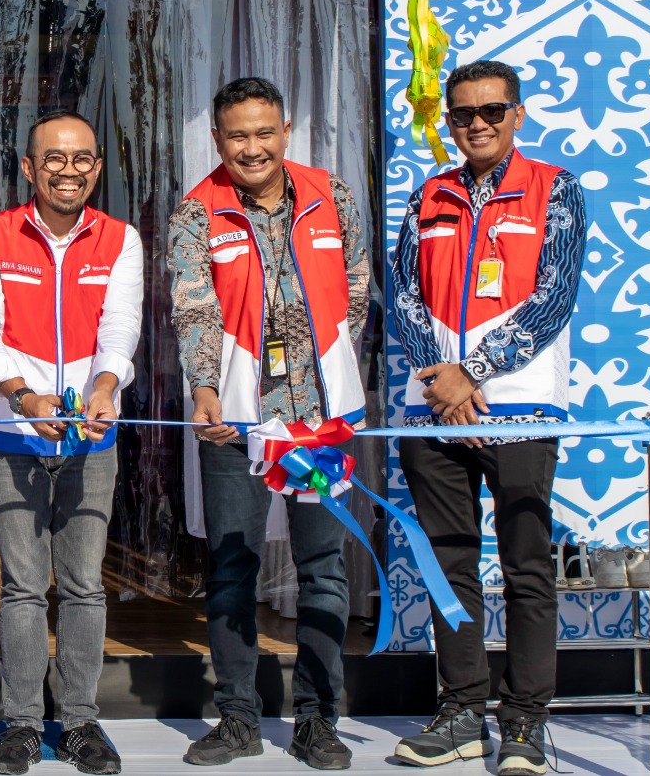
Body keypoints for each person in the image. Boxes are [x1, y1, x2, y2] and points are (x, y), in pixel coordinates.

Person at [389, 59, 586, 776]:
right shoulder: (428, 194)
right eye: (463, 114)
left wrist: (471, 372)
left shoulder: (555, 188)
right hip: (432, 408)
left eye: (492, 111)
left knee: (527, 566)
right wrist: (442, 380)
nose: (477, 124)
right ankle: (462, 712)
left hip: (521, 401)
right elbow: (403, 293)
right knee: (450, 564)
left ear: (517, 115)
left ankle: (525, 721)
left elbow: (553, 295)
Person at [167, 77, 369, 771]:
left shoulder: (330, 194)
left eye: (264, 133)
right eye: (237, 136)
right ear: (217, 140)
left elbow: (357, 285)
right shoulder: (197, 210)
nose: (252, 148)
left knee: (323, 572)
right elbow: (193, 308)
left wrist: (330, 370)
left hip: (320, 423)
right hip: (237, 418)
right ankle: (238, 719)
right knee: (232, 572)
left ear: (285, 132)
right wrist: (204, 388)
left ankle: (318, 720)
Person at [0, 109, 143, 776]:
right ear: (30, 168)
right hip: (9, 435)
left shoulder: (120, 239)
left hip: (91, 436)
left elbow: (120, 327)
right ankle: (23, 725)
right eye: (55, 159)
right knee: (25, 586)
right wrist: (22, 399)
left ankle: (82, 723)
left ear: (98, 166)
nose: (70, 171)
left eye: (82, 158)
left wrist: (105, 387)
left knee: (86, 586)